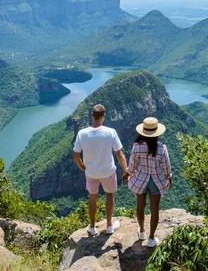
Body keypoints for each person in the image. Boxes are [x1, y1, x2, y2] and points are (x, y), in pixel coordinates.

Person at [73, 104, 129, 236]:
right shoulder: (110, 132)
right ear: (103, 117)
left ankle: (92, 228)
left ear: (92, 116)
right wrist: (126, 171)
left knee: (92, 199)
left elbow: (75, 155)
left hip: (91, 172)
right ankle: (109, 226)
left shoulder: (82, 133)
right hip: (107, 171)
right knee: (109, 195)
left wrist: (81, 167)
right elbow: (119, 154)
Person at [125, 117, 172, 247]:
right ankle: (151, 238)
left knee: (140, 206)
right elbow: (166, 166)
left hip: (141, 180)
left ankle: (141, 232)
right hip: (156, 181)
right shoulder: (162, 148)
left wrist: (127, 174)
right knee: (154, 209)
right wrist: (169, 177)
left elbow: (132, 165)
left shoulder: (136, 146)